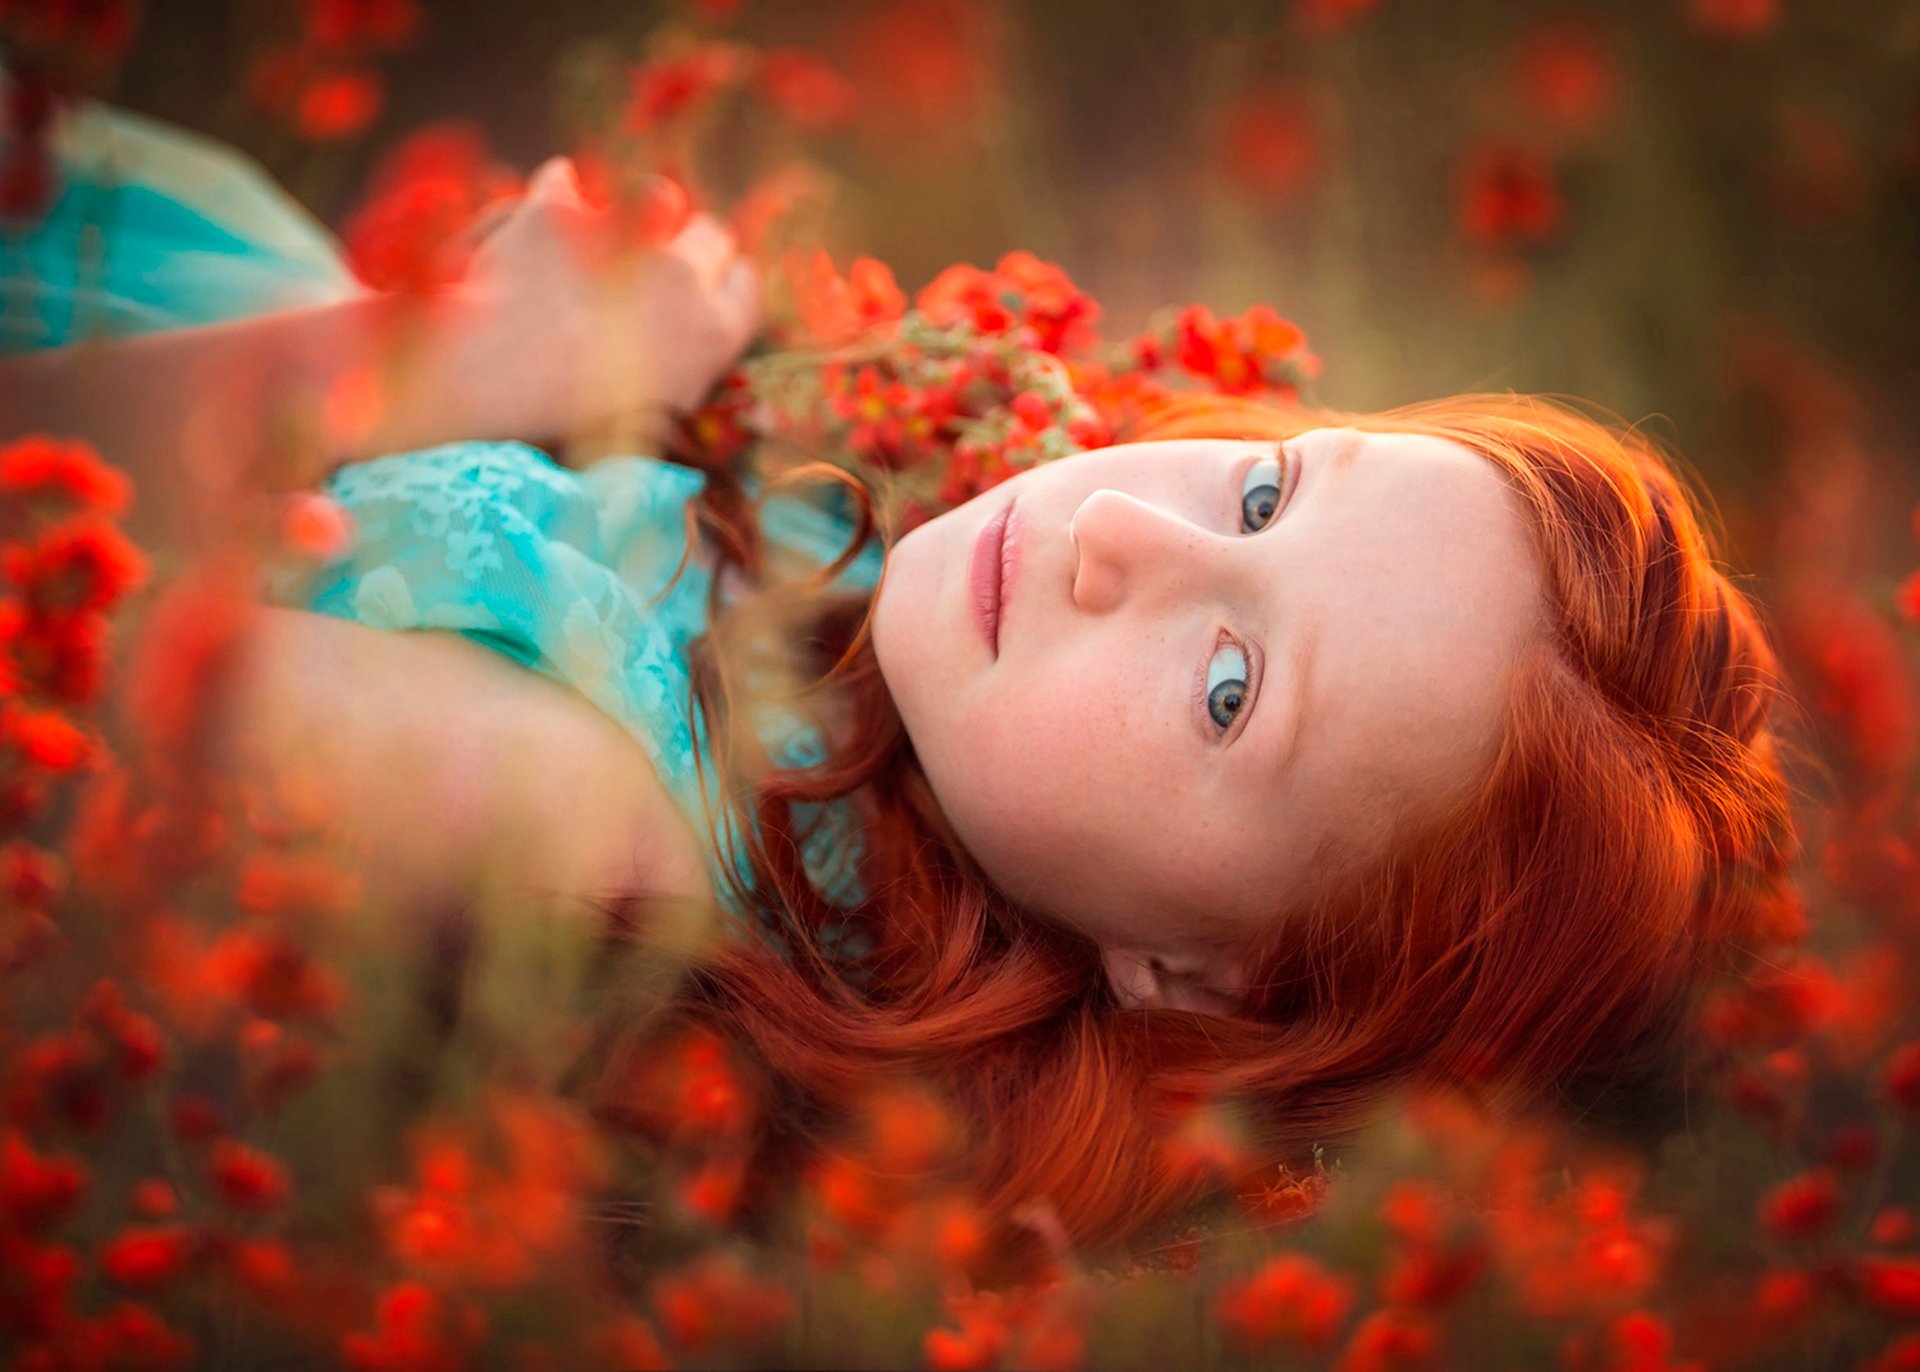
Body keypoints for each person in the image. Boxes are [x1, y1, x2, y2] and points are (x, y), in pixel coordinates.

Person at [2, 97, 1804, 1264]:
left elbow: (40, 607)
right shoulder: (860, 662)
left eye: (1232, 687)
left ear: (1193, 983)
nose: (1125, 538)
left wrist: (456, 348)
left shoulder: (585, 828)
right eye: (1263, 488)